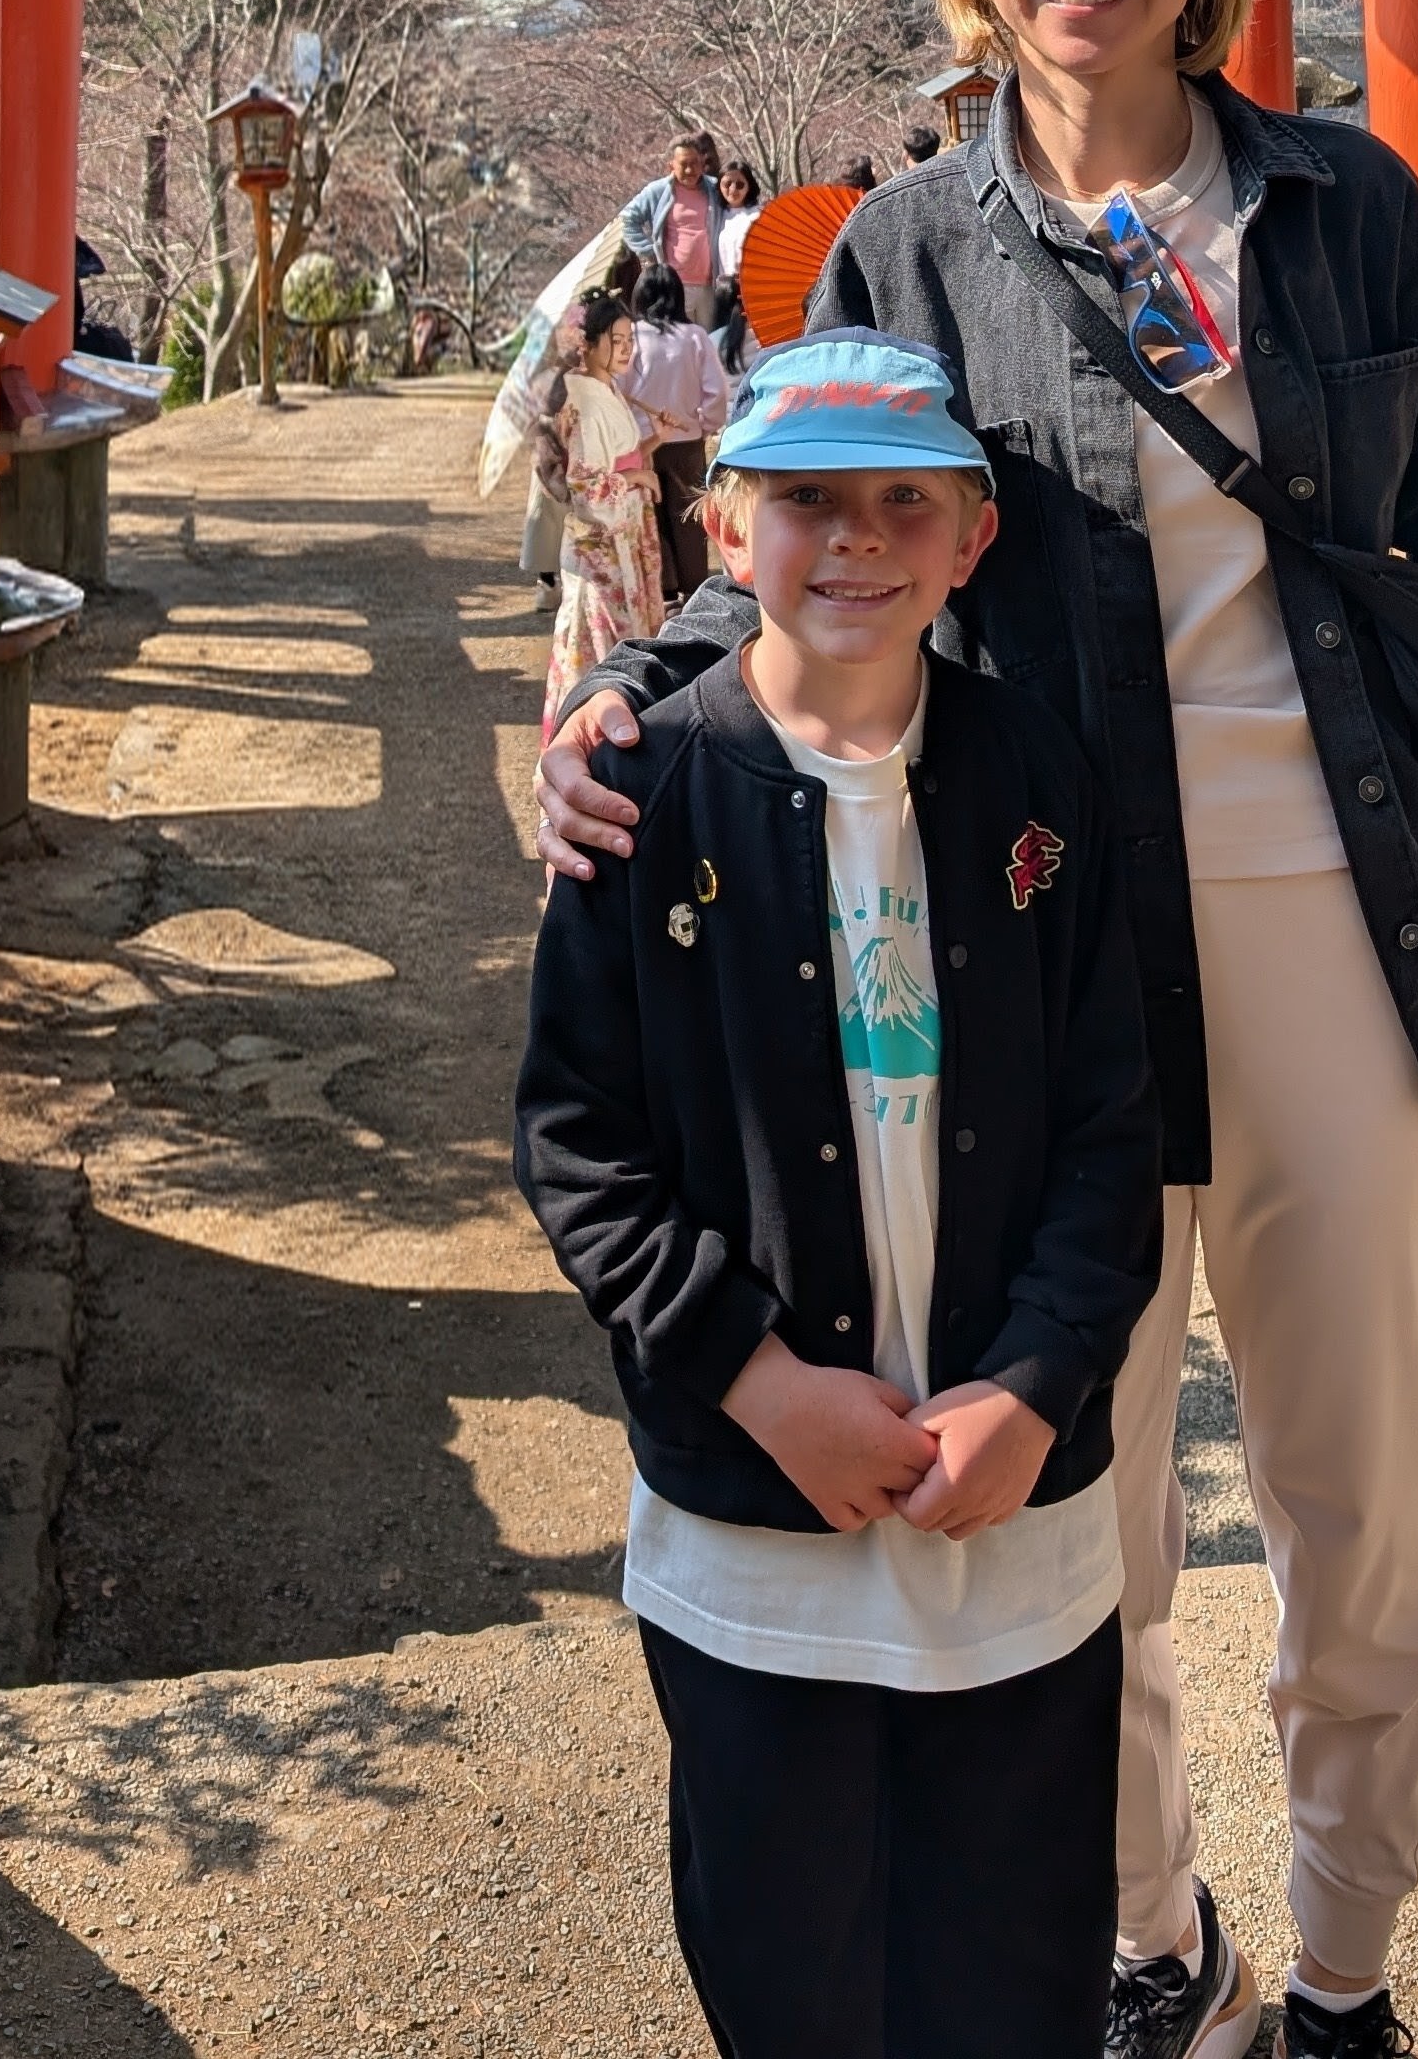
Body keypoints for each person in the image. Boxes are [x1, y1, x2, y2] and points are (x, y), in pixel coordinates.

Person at [538, 0, 1418, 2059]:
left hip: (1347, 930)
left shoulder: (1346, 211)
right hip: (1035, 956)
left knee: (1360, 1524)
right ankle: (1153, 1951)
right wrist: (647, 689)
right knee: (1060, 1529)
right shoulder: (915, 236)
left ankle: (1339, 1980)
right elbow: (817, 516)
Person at [516, 330, 1163, 2059]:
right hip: (750, 1534)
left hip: (1013, 1518)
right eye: (804, 498)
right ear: (724, 532)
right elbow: (577, 1140)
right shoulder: (641, 795)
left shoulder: (1044, 783)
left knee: (1017, 1971)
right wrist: (752, 1375)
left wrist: (1034, 1387)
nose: (856, 539)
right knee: (785, 1976)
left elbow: (1116, 1125)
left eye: (904, 501)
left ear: (973, 537)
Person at [535, 289, 663, 736]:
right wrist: (638, 479)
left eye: (630, 340)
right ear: (587, 343)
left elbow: (617, 460)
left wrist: (653, 443)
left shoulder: (604, 388)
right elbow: (588, 486)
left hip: (621, 534)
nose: (626, 349)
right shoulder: (585, 401)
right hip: (603, 548)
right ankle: (589, 738)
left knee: (610, 642)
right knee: (597, 646)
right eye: (616, 339)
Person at [621, 258, 732, 601]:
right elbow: (717, 391)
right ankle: (695, 586)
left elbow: (618, 387)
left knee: (651, 514)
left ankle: (663, 587)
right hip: (686, 438)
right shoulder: (695, 337)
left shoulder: (631, 336)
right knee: (688, 516)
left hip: (642, 442)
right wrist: (706, 423)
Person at [619, 133, 728, 320]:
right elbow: (628, 219)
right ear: (671, 166)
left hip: (711, 283)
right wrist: (648, 251)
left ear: (702, 162)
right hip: (675, 284)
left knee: (709, 344)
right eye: (683, 164)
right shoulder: (658, 191)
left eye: (694, 163)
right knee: (680, 341)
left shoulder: (716, 189)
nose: (689, 169)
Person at [713, 153, 764, 262]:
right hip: (721, 278)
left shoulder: (758, 216)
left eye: (740, 185)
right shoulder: (715, 215)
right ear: (719, 187)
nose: (733, 189)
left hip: (751, 277)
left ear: (749, 186)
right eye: (727, 184)